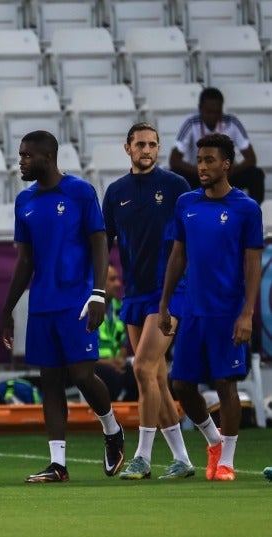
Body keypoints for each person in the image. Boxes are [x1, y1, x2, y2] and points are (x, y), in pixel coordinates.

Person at [0, 130, 125, 483]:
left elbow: (100, 243)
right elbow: (24, 261)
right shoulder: (24, 201)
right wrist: (7, 308)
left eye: (26, 155)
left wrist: (98, 293)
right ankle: (58, 464)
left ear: (47, 157)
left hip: (77, 300)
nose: (20, 161)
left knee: (83, 374)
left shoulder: (81, 192)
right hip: (42, 304)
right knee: (50, 381)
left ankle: (112, 430)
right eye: (20, 155)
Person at [159, 133, 262, 482]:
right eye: (199, 160)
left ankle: (227, 462)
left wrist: (247, 313)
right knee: (182, 385)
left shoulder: (246, 208)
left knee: (224, 383)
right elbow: (177, 255)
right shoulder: (186, 203)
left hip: (228, 311)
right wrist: (164, 304)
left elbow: (252, 264)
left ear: (226, 164)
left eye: (209, 160)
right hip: (193, 310)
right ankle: (214, 441)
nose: (202, 166)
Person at [102, 123, 195, 480]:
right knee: (155, 375)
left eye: (153, 144)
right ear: (127, 148)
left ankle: (141, 456)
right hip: (134, 293)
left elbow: (191, 239)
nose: (147, 149)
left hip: (169, 292)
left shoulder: (176, 187)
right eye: (140, 144)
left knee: (141, 368)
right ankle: (183, 458)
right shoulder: (115, 193)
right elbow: (104, 243)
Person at [169, 87, 265, 204]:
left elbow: (251, 158)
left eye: (217, 112)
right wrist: (199, 171)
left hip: (226, 176)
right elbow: (174, 160)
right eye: (209, 112)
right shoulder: (191, 123)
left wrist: (231, 170)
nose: (213, 116)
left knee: (256, 174)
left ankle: (251, 214)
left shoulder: (232, 122)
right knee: (174, 175)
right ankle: (181, 216)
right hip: (199, 175)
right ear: (200, 108)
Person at [94, 264, 137, 403]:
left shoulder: (119, 309)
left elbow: (122, 343)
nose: (118, 284)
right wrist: (109, 363)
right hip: (93, 365)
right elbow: (78, 353)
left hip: (114, 364)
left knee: (137, 374)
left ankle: (131, 417)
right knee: (112, 376)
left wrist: (119, 360)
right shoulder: (86, 310)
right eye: (112, 279)